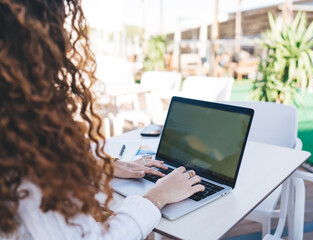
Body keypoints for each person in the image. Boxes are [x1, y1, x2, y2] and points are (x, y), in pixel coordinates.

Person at [0, 0, 204, 239]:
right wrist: (157, 197)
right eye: (59, 29)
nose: (66, 40)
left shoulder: (13, 132)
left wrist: (99, 168)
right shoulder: (22, 169)